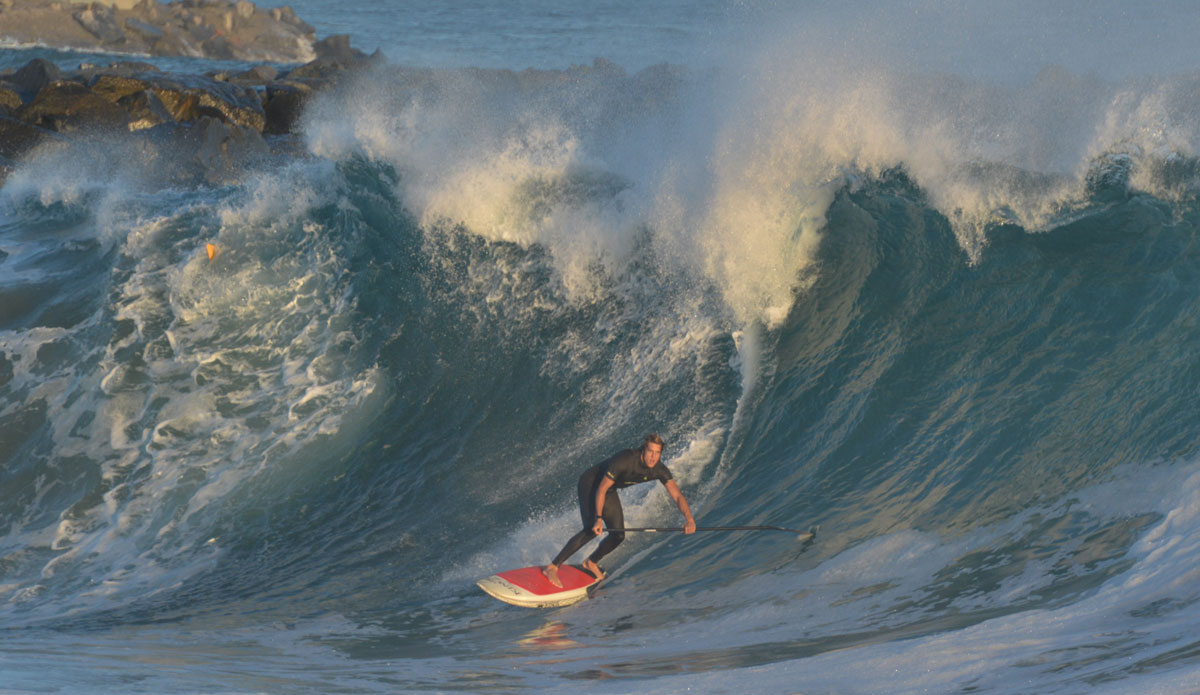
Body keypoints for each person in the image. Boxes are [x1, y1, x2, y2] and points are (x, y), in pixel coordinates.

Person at [543, 434, 696, 588]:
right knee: (591, 529)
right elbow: (601, 488)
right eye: (650, 451)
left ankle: (591, 562)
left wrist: (689, 519)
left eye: (657, 453)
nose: (653, 457)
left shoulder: (659, 470)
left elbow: (677, 496)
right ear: (643, 450)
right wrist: (598, 518)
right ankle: (553, 567)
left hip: (609, 490)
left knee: (618, 535)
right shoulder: (625, 460)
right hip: (591, 484)